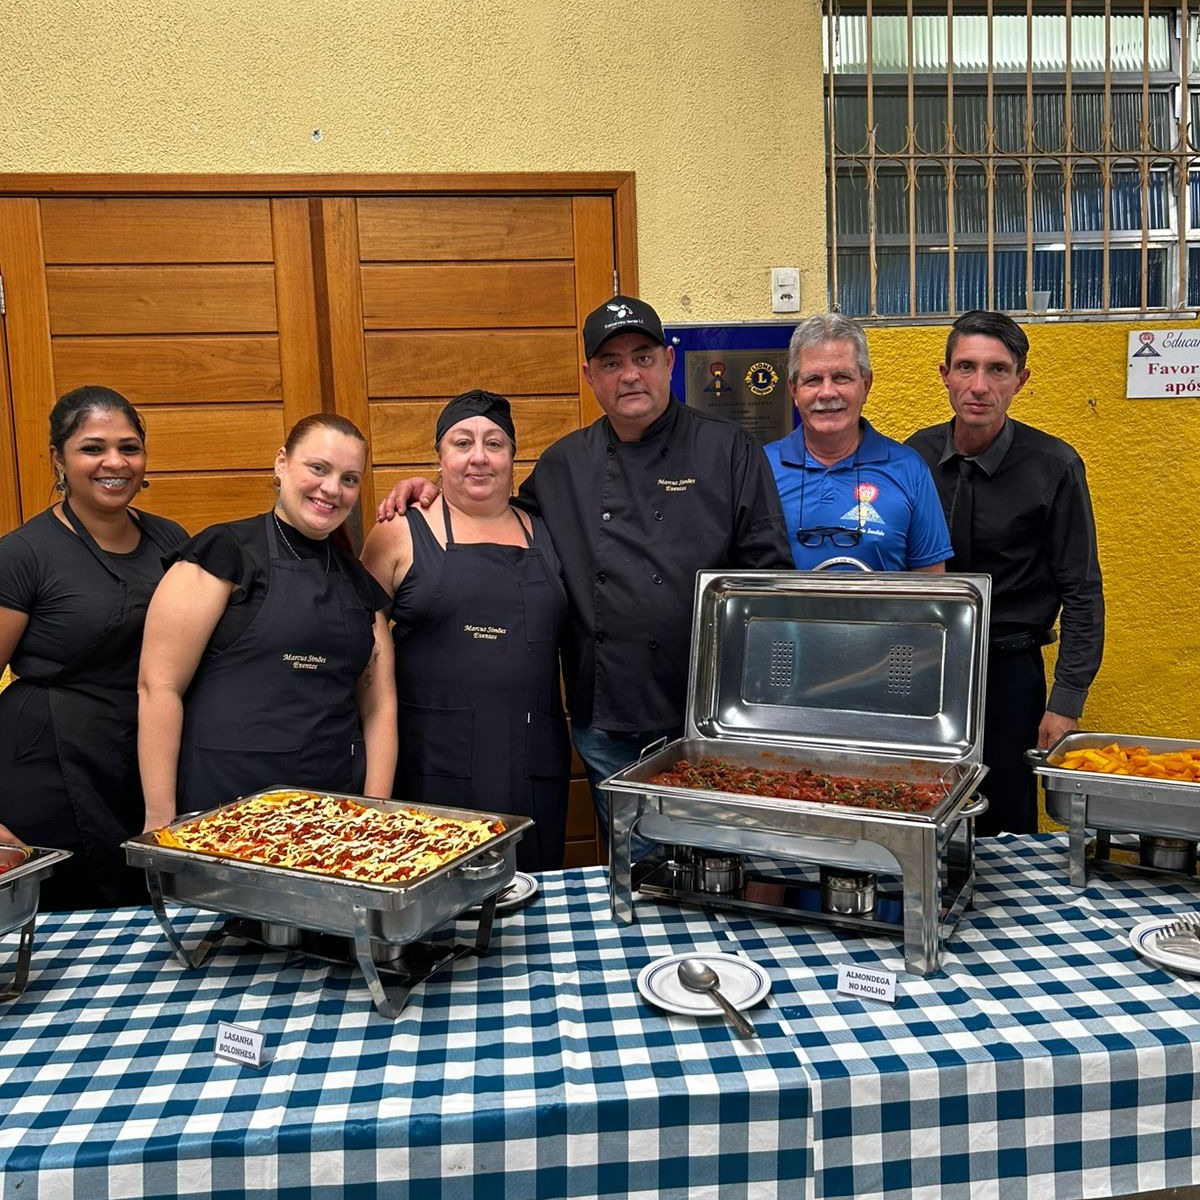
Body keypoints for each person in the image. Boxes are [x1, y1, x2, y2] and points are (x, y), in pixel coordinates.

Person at [378, 296, 791, 853]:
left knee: (724, 863)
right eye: (611, 363)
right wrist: (428, 494)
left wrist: (749, 713)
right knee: (635, 874)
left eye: (642, 357)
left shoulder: (729, 449)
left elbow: (768, 584)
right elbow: (492, 516)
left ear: (669, 361)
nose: (630, 375)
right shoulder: (562, 465)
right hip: (607, 721)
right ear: (589, 377)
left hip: (705, 722)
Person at [138, 414, 396, 826]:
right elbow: (158, 687)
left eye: (349, 479)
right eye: (318, 468)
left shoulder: (358, 582)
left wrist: (375, 814)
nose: (332, 488)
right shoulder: (223, 553)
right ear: (281, 463)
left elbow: (380, 705)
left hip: (332, 814)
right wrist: (160, 818)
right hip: (222, 807)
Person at [907, 310, 1105, 836]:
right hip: (922, 670)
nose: (979, 386)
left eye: (997, 370)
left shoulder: (1054, 466)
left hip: (1010, 675)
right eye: (966, 367)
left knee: (1006, 821)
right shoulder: (913, 458)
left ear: (1021, 379)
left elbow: (1082, 592)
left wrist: (1066, 701)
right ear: (944, 374)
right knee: (920, 808)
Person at [360, 390, 570, 872]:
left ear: (513, 459)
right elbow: (361, 652)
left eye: (494, 444)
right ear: (439, 458)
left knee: (531, 896)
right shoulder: (397, 532)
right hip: (433, 762)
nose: (479, 457)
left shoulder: (548, 530)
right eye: (462, 442)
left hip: (530, 760)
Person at [0, 385, 187, 910]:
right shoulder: (23, 555)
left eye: (129, 447)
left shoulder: (171, 540)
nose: (115, 462)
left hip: (142, 761)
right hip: (47, 768)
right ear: (58, 458)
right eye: (92, 448)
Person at [765, 313, 952, 572]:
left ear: (866, 384)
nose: (828, 392)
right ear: (794, 390)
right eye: (813, 380)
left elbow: (932, 584)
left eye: (842, 377)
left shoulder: (909, 469)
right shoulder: (760, 469)